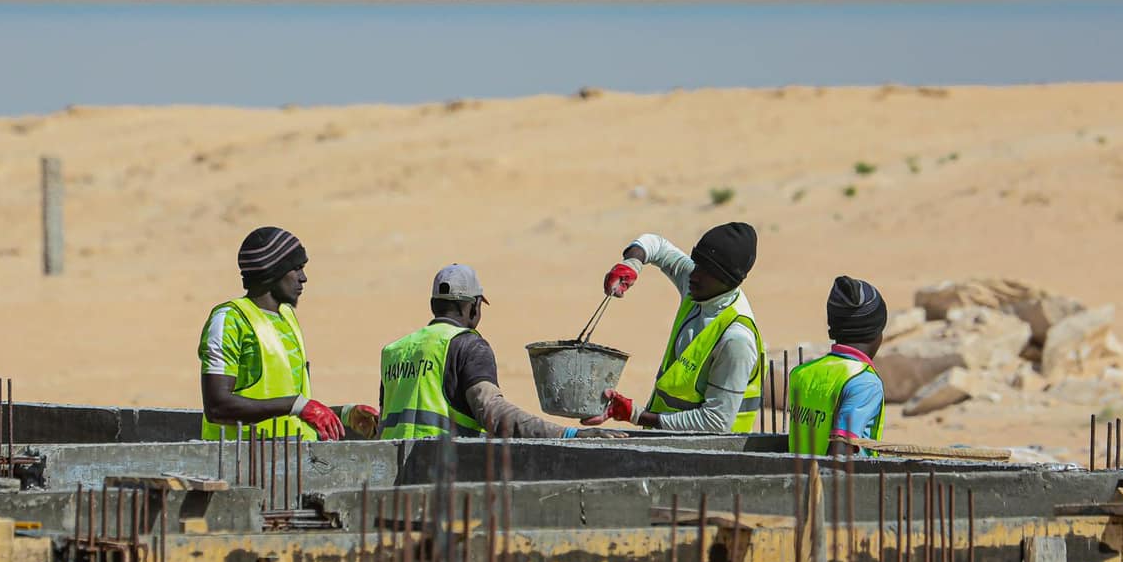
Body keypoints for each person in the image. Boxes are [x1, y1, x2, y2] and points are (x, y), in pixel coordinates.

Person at [379, 265, 623, 441]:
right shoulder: (468, 346)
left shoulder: (394, 351)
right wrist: (567, 433)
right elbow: (493, 412)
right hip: (444, 480)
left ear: (433, 305)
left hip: (390, 483)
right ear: (474, 307)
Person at [586, 223, 766, 433]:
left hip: (713, 457)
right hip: (671, 446)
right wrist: (632, 263)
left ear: (728, 281)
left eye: (706, 272)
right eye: (697, 265)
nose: (694, 275)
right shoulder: (699, 287)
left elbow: (717, 422)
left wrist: (635, 415)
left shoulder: (736, 340)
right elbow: (656, 245)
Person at [199, 226, 369, 442]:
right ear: (273, 271)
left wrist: (343, 415)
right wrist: (298, 406)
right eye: (296, 268)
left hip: (290, 462)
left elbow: (290, 406)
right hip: (241, 465)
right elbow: (217, 407)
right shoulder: (230, 320)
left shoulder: (287, 318)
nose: (303, 278)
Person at [786, 277, 889, 455]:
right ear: (877, 333)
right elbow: (840, 452)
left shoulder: (801, 373)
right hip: (838, 481)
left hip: (796, 478)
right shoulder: (864, 383)